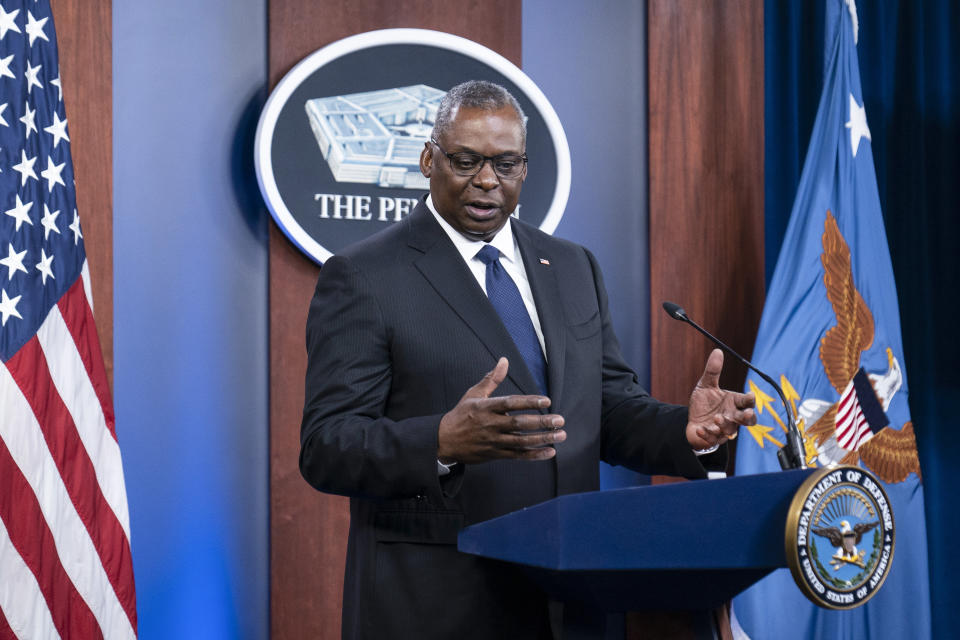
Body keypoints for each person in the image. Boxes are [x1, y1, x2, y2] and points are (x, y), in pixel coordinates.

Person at [300, 80, 756, 640]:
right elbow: (327, 445)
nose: (487, 180)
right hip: (438, 602)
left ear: (524, 167)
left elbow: (606, 410)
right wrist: (440, 441)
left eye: (505, 163)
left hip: (574, 597)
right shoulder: (365, 275)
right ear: (427, 159)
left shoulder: (571, 266)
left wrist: (685, 431)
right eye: (466, 160)